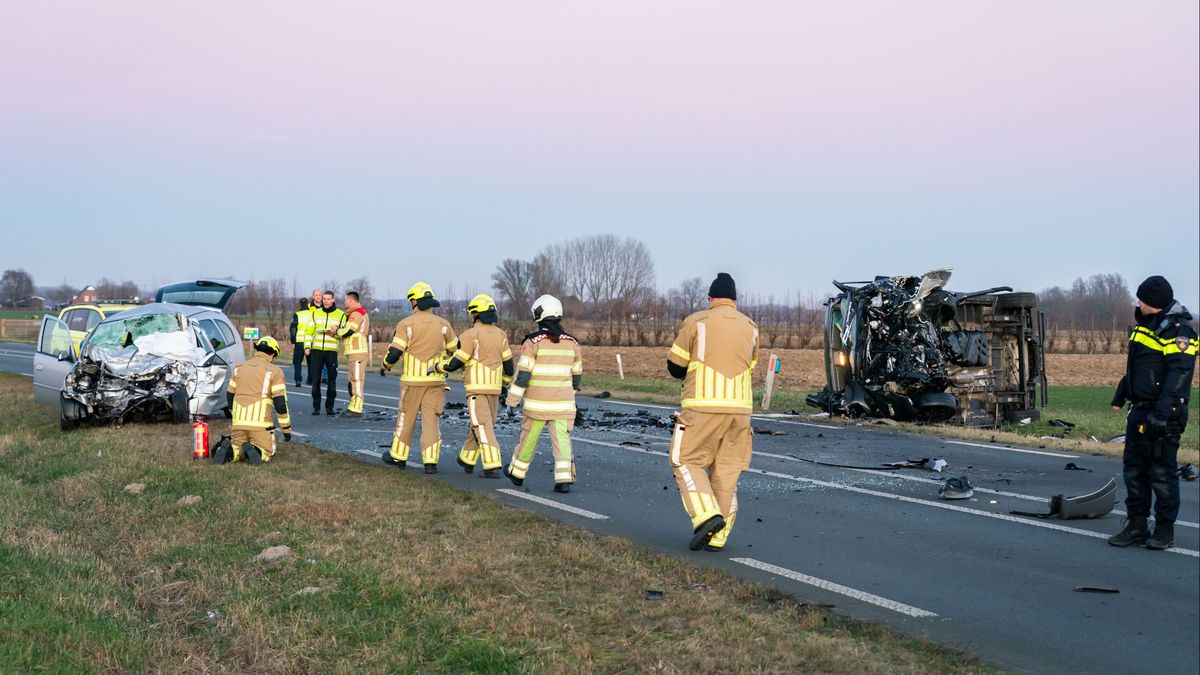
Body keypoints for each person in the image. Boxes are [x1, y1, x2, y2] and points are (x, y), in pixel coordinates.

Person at [665, 273, 759, 552]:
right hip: (741, 410)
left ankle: (706, 516)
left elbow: (675, 366)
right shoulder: (751, 326)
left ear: (710, 298)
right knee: (727, 471)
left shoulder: (696, 321)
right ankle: (718, 538)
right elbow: (751, 364)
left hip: (703, 406)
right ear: (734, 299)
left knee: (685, 460)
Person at [1109, 276, 1196, 551]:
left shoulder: (1180, 332)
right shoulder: (1143, 327)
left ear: (1155, 303)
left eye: (1142, 299)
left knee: (1162, 474)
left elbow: (1178, 377)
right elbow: (1136, 367)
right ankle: (1136, 526)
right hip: (1139, 411)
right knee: (1134, 471)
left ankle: (1164, 531)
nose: (1138, 303)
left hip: (1164, 415)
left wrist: (1162, 415)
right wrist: (1121, 394)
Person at [504, 295, 583, 493]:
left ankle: (517, 474)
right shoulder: (573, 343)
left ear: (539, 315)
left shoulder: (533, 342)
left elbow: (522, 376)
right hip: (563, 406)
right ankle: (564, 480)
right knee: (563, 442)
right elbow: (577, 376)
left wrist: (512, 402)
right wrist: (569, 395)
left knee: (528, 439)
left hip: (537, 406)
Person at [380, 282, 458, 473]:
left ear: (414, 301)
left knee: (406, 419)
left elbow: (395, 351)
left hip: (412, 383)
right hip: (436, 382)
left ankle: (398, 457)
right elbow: (457, 352)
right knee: (431, 421)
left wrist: (386, 365)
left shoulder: (406, 324)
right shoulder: (444, 325)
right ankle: (430, 462)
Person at [434, 294, 514, 477]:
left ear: (476, 314)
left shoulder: (470, 335)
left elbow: (456, 362)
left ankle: (492, 466)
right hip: (494, 389)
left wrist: (438, 366)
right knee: (480, 424)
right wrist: (505, 384)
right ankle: (467, 458)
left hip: (476, 389)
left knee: (482, 426)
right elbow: (509, 366)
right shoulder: (501, 335)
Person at [214, 336, 292, 465]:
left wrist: (235, 415)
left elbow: (230, 395)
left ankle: (230, 451)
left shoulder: (239, 368)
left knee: (238, 449)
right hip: (260, 425)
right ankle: (258, 450)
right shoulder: (275, 371)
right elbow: (280, 404)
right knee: (268, 451)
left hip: (238, 423)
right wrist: (286, 430)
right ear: (273, 354)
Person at [307, 290, 345, 415]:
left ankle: (330, 406)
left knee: (332, 380)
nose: (326, 301)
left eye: (329, 299)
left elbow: (344, 333)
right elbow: (309, 331)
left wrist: (336, 332)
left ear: (333, 300)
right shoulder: (315, 313)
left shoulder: (340, 315)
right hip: (317, 350)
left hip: (331, 351)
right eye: (324, 299)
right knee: (316, 380)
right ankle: (316, 407)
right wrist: (307, 346)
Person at [337, 291, 370, 417]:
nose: (345, 302)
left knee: (356, 380)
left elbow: (349, 330)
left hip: (358, 352)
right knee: (352, 379)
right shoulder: (356, 313)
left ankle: (356, 409)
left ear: (350, 300)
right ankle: (353, 406)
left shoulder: (357, 313)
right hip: (354, 352)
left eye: (346, 300)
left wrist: (337, 331)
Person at [289, 298, 310, 387]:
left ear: (300, 305)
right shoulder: (312, 314)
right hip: (310, 341)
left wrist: (293, 341)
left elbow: (293, 328)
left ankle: (298, 380)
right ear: (308, 304)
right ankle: (311, 379)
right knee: (311, 363)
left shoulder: (297, 315)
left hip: (299, 342)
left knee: (297, 362)